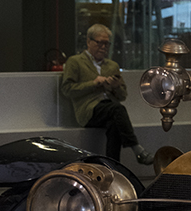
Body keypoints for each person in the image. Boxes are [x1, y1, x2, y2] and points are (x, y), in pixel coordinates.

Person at [62, 24, 153, 164]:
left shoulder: (112, 66)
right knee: (117, 109)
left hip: (109, 109)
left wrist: (114, 87)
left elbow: (122, 96)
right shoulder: (75, 62)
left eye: (107, 43)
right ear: (88, 42)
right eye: (100, 42)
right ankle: (136, 148)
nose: (103, 47)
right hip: (88, 110)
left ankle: (112, 166)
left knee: (114, 125)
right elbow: (67, 89)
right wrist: (94, 83)